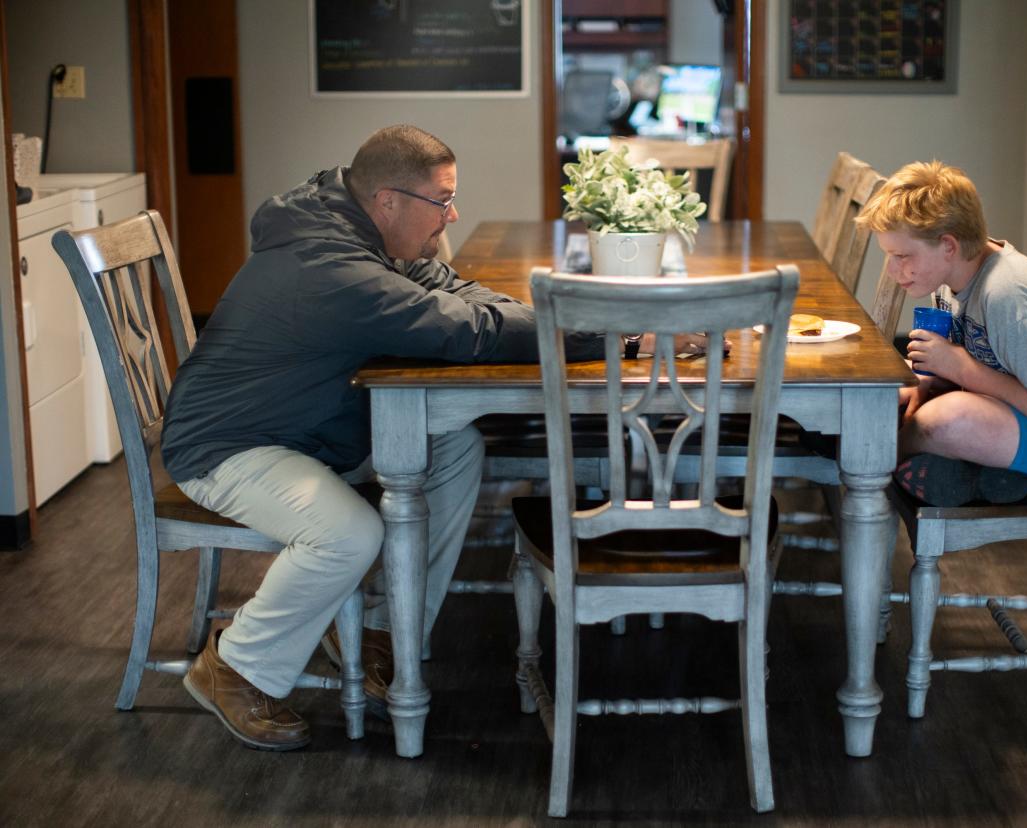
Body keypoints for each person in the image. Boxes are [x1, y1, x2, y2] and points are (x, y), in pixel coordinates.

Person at [162, 124, 707, 751]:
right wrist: (624, 335)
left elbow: (454, 293)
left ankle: (380, 629)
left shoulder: (354, 228)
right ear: (388, 200)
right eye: (441, 200)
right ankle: (234, 666)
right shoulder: (335, 269)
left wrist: (583, 323)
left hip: (312, 424)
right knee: (348, 533)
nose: (453, 214)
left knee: (451, 446)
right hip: (230, 442)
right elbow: (462, 330)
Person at [854, 160, 1027, 507]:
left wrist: (959, 368)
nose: (893, 270)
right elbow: (963, 365)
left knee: (948, 419)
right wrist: (925, 382)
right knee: (892, 397)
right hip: (1026, 421)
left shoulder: (1010, 299)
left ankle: (874, 459)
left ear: (949, 246)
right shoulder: (949, 280)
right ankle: (985, 477)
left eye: (901, 256)